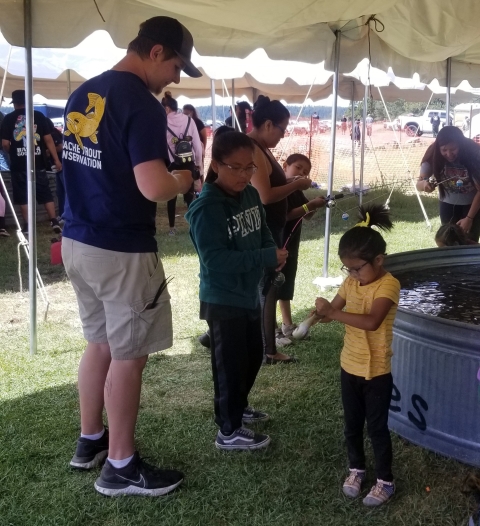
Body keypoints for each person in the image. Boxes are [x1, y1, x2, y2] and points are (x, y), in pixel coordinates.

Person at [61, 15, 200, 497]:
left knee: (98, 342)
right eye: (178, 65)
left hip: (78, 242)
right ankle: (120, 465)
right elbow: (154, 184)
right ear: (157, 51)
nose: (177, 79)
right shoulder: (142, 104)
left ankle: (90, 440)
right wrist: (184, 179)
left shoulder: (84, 92)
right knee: (128, 356)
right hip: (120, 248)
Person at [186, 127, 285, 450]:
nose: (245, 175)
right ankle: (227, 430)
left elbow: (264, 231)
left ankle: (239, 408)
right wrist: (264, 256)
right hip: (222, 297)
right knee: (228, 366)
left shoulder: (250, 195)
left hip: (248, 293)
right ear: (216, 165)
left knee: (252, 356)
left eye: (250, 168)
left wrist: (272, 255)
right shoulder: (206, 209)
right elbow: (215, 260)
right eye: (237, 168)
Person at [314, 203, 400, 507]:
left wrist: (334, 314)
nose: (351, 275)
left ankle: (386, 481)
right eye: (347, 268)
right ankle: (357, 470)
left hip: (376, 371)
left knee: (376, 428)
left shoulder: (388, 286)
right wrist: (319, 314)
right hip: (348, 365)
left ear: (378, 260)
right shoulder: (351, 282)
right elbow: (334, 309)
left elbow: (372, 321)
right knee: (352, 425)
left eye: (357, 268)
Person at [248, 95, 312, 363]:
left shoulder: (260, 148)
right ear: (267, 124)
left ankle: (265, 345)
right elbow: (264, 195)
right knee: (266, 288)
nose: (283, 136)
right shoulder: (252, 147)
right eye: (282, 129)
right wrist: (297, 185)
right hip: (263, 229)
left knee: (266, 286)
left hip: (270, 227)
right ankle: (268, 349)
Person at [0, 89, 63, 234]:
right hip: (38, 162)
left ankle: (29, 226)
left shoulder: (8, 119)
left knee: (22, 196)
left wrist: (14, 152)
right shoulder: (39, 116)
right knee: (45, 192)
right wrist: (56, 160)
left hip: (18, 165)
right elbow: (48, 140)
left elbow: (4, 144)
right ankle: (54, 221)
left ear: (14, 103)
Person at [277, 154, 325, 338]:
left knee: (287, 282)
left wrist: (316, 204)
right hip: (278, 241)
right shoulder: (279, 188)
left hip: (292, 244)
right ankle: (271, 330)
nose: (301, 173)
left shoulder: (296, 191)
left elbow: (308, 214)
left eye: (305, 172)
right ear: (285, 165)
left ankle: (287, 325)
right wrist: (309, 206)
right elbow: (286, 215)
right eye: (298, 168)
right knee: (273, 284)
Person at [416, 126, 480, 242]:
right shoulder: (433, 154)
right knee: (448, 241)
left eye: (453, 149)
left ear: (461, 145)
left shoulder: (474, 154)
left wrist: (469, 218)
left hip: (472, 204)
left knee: (470, 240)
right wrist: (425, 184)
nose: (449, 154)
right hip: (447, 204)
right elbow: (419, 184)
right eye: (444, 150)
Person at [162, 91, 203, 235]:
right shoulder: (189, 120)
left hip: (172, 163)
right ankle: (194, 225)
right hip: (188, 162)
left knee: (171, 197)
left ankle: (172, 228)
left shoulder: (163, 122)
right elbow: (197, 145)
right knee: (190, 197)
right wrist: (199, 165)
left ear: (167, 108)